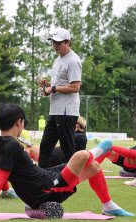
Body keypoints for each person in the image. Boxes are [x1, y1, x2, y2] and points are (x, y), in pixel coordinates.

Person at [0, 103, 134, 220]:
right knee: (80, 156)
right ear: (19, 122)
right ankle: (102, 149)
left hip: (45, 179)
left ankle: (108, 206)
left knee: (93, 166)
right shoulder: (12, 146)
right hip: (48, 190)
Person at [37, 27, 82, 168]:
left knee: (67, 150)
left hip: (67, 112)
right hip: (55, 110)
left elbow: (75, 87)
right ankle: (40, 180)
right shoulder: (58, 60)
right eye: (53, 42)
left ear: (68, 42)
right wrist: (47, 84)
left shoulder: (73, 60)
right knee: (45, 147)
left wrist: (54, 88)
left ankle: (69, 184)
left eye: (58, 42)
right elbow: (59, 84)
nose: (55, 45)